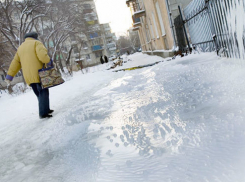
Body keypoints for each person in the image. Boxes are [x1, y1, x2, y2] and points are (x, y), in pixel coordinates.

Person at [5, 32, 53, 119]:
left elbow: (15, 63)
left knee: (39, 93)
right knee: (43, 92)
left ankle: (46, 109)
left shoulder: (21, 48)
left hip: (28, 77)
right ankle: (43, 113)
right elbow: (43, 56)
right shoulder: (36, 43)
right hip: (39, 74)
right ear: (35, 37)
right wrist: (49, 62)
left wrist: (10, 76)